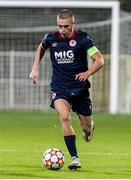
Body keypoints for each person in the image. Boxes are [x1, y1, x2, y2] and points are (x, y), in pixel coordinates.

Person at [30, 9, 104, 170]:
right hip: (60, 87)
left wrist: (88, 72)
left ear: (73, 24)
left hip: (80, 89)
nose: (62, 30)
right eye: (59, 26)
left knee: (86, 128)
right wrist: (35, 68)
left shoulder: (83, 39)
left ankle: (89, 127)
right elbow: (41, 47)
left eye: (65, 26)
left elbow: (99, 60)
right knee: (64, 116)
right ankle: (75, 158)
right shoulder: (51, 38)